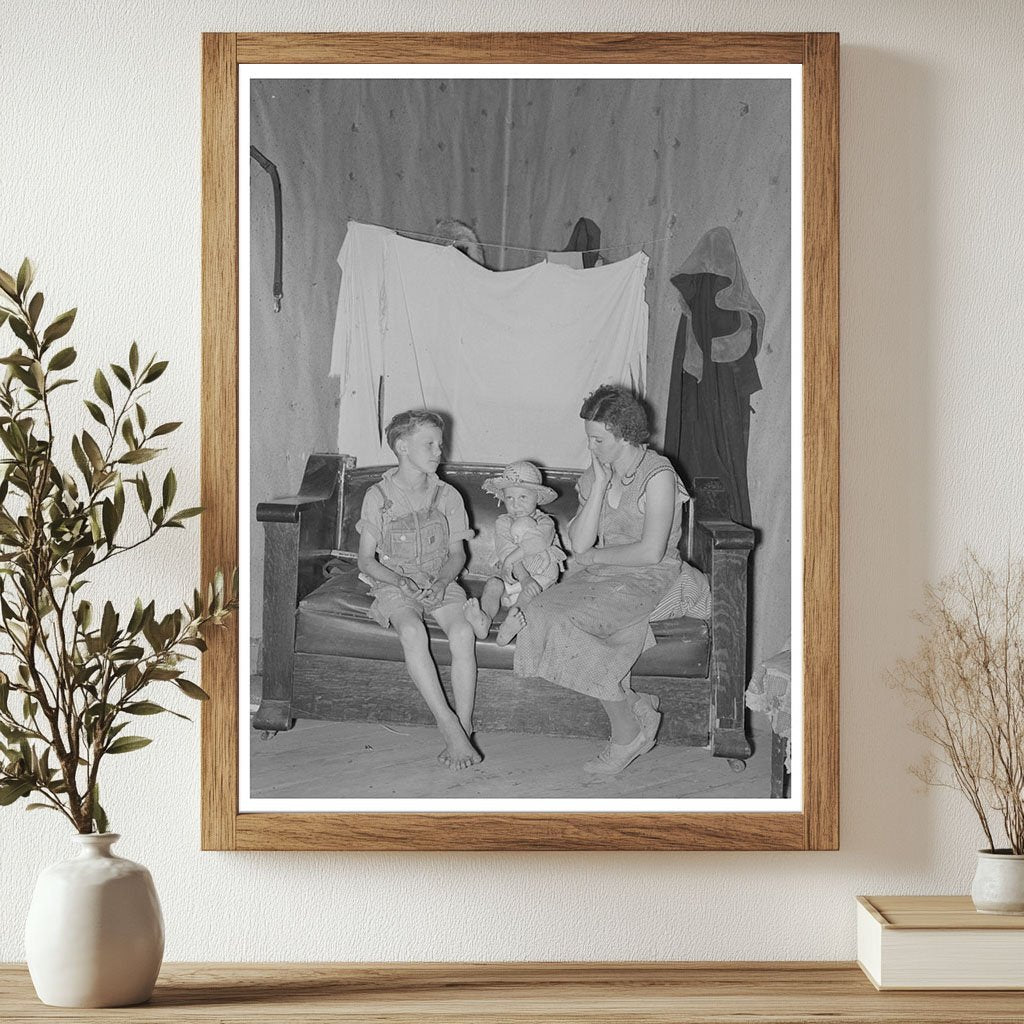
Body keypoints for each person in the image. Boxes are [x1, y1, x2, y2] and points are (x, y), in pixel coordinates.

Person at [500, 384, 688, 774]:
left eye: (598, 439)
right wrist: (601, 484)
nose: (592, 448)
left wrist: (592, 557)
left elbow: (652, 551)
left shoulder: (658, 476)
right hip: (600, 574)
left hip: (648, 576)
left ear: (625, 435)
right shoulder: (596, 473)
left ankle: (626, 734)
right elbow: (579, 541)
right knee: (537, 611)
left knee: (564, 622)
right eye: (589, 438)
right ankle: (633, 705)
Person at [356, 410, 482, 770]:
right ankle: (446, 722)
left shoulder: (448, 496)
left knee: (461, 632)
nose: (438, 452)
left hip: (439, 578)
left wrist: (443, 582)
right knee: (411, 629)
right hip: (394, 579)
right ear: (401, 446)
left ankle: (465, 725)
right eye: (429, 444)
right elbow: (366, 560)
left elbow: (458, 553)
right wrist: (399, 582)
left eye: (439, 445)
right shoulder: (378, 496)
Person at [463, 461, 567, 643]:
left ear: (537, 498)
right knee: (494, 584)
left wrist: (518, 570)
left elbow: (537, 542)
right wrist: (520, 574)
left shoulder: (546, 523)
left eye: (523, 498)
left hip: (540, 583)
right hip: (512, 582)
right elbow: (506, 549)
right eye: (509, 498)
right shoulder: (503, 522)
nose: (515, 505)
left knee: (531, 593)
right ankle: (484, 618)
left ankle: (509, 625)